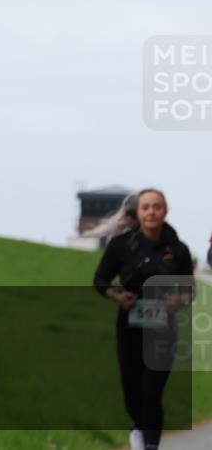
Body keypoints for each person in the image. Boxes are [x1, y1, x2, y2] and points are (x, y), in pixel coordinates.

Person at [92, 189, 194, 450]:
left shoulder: (178, 249)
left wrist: (177, 300)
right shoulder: (121, 245)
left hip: (163, 328)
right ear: (138, 213)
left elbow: (189, 290)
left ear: (165, 211)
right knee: (133, 395)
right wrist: (117, 296)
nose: (151, 212)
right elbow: (100, 281)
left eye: (157, 207)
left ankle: (149, 445)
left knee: (151, 392)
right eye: (146, 207)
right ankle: (139, 427)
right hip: (130, 324)